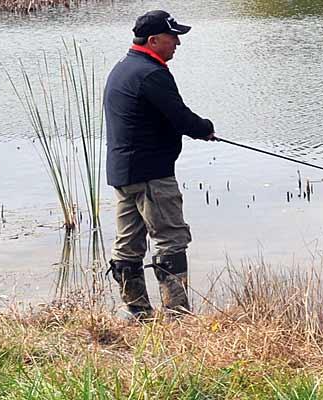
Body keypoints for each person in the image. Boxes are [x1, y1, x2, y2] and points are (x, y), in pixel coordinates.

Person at [104, 9, 218, 321]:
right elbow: (180, 117)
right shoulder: (152, 73)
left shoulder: (123, 68)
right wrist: (204, 128)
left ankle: (136, 312)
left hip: (123, 173)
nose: (178, 43)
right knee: (171, 240)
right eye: (172, 37)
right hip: (152, 175)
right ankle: (177, 316)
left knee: (128, 245)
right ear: (153, 40)